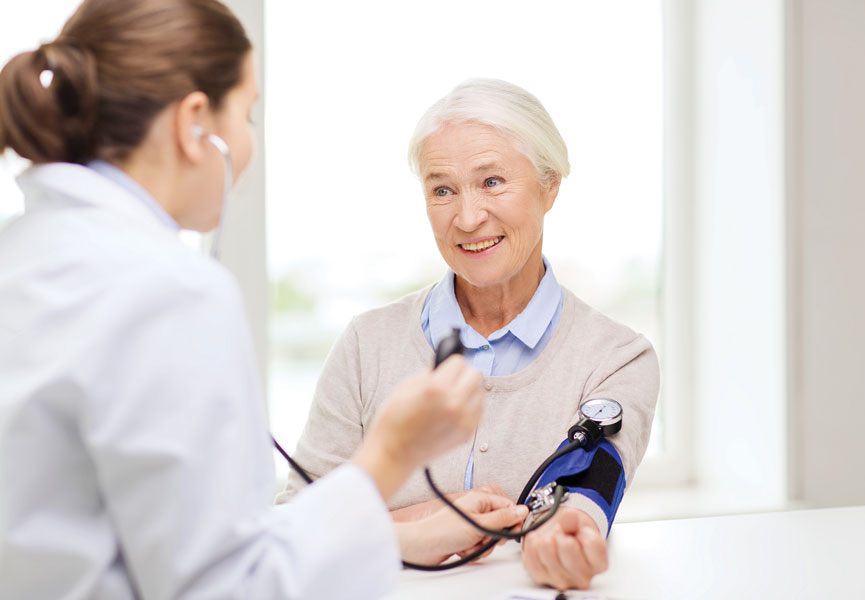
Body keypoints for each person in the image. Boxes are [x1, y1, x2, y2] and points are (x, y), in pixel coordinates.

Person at [0, 3, 527, 599]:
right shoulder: (167, 291)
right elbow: (229, 588)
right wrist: (392, 454)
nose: (249, 145)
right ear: (194, 123)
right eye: (247, 114)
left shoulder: (22, 255)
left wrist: (402, 538)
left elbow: (161, 541)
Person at [279, 79, 661, 590]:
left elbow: (584, 496)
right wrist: (420, 527)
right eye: (442, 189)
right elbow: (290, 529)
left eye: (492, 182)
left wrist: (563, 534)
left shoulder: (617, 358)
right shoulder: (364, 346)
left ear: (550, 185)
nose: (467, 217)